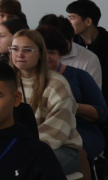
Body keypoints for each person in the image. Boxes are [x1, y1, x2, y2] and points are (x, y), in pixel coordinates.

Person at [7, 28, 84, 177]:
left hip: (60, 148)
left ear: (40, 54)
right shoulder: (6, 82)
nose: (20, 54)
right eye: (15, 49)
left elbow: (56, 131)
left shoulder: (56, 83)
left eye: (27, 50)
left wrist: (20, 149)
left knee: (23, 168)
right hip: (17, 147)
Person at [40, 25, 106, 163]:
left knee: (68, 152)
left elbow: (101, 112)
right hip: (40, 129)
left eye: (51, 52)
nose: (46, 57)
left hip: (79, 129)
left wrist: (71, 105)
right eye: (42, 52)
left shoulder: (79, 76)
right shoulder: (26, 77)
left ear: (61, 53)